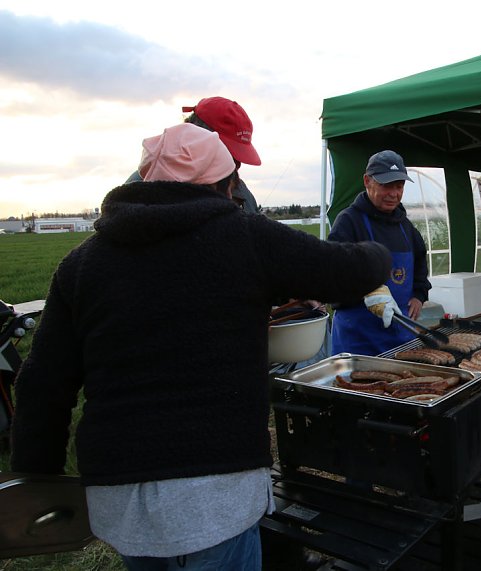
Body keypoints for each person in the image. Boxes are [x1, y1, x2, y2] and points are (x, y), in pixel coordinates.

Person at [10, 123, 392, 571]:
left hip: (121, 494)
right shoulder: (245, 236)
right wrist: (379, 254)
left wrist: (38, 476)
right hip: (218, 491)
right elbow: (349, 270)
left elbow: (42, 385)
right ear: (223, 183)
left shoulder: (82, 263)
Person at [328, 150, 431, 355]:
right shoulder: (349, 222)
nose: (394, 193)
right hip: (358, 339)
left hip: (400, 336)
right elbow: (333, 272)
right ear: (367, 181)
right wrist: (367, 291)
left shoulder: (406, 227)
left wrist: (419, 295)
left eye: (399, 186)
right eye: (386, 185)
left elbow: (420, 263)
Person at [127, 96, 262, 213]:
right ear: (193, 135)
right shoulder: (142, 186)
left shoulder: (243, 193)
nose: (236, 165)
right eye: (230, 153)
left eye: (238, 158)